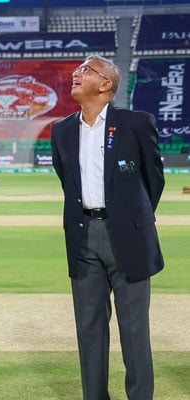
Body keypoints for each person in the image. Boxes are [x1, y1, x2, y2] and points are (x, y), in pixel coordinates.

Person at [51, 55, 165, 400]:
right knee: (89, 331)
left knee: (134, 331)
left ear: (106, 84)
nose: (76, 73)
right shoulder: (62, 130)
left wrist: (132, 220)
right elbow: (67, 180)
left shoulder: (136, 123)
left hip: (128, 238)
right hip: (83, 236)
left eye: (86, 69)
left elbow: (154, 180)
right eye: (78, 69)